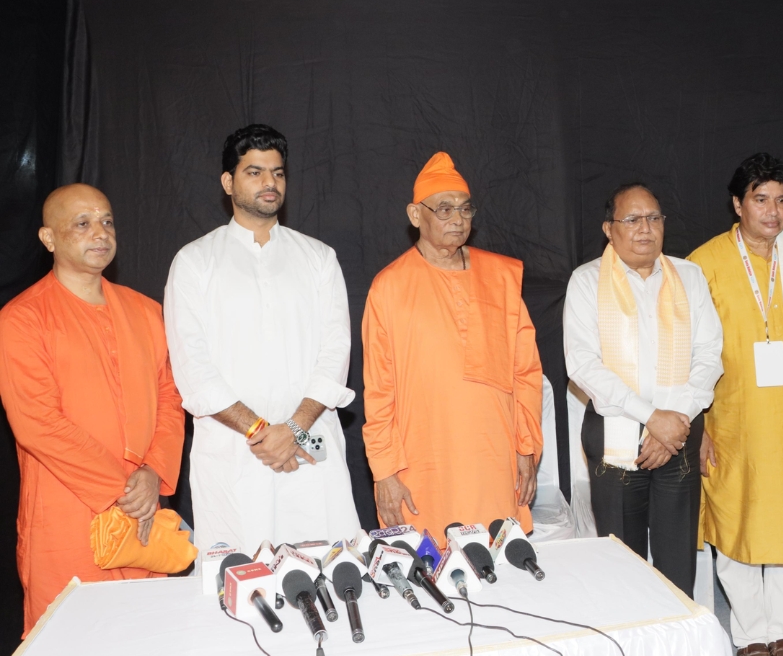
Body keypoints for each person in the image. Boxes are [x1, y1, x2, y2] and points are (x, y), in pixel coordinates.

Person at [164, 125, 360, 553]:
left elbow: (336, 352)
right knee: (242, 579)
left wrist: (293, 429)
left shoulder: (319, 257)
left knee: (330, 567)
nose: (270, 182)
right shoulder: (195, 261)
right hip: (236, 455)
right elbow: (193, 368)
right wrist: (261, 432)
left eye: (278, 173)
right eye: (254, 172)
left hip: (310, 450)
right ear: (228, 182)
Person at [0, 185, 185, 634]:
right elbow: (37, 424)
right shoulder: (22, 319)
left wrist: (153, 472)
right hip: (67, 512)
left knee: (147, 634)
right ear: (48, 238)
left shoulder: (147, 312)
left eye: (107, 221)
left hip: (142, 514)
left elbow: (170, 398)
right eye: (82, 224)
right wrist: (125, 489)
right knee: (71, 635)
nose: (100, 233)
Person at [687, 153, 783, 656]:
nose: (773, 212)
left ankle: (781, 625)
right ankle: (750, 632)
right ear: (738, 204)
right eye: (761, 199)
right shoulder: (702, 263)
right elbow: (684, 353)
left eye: (782, 200)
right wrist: (697, 426)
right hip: (732, 420)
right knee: (737, 525)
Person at [362, 152, 542, 542]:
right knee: (432, 564)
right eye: (444, 209)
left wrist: (525, 448)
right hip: (424, 467)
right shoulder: (389, 287)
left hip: (494, 462)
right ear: (415, 215)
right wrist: (385, 471)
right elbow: (378, 391)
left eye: (465, 209)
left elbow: (526, 371)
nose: (458, 219)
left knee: (497, 560)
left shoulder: (501, 276)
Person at [564, 182, 723, 595]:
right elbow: (583, 364)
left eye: (654, 218)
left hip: (680, 430)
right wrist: (652, 418)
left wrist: (674, 420)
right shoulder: (586, 281)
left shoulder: (689, 276)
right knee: (622, 561)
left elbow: (710, 355)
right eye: (632, 219)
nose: (645, 228)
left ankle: (677, 630)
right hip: (617, 432)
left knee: (677, 561)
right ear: (608, 228)